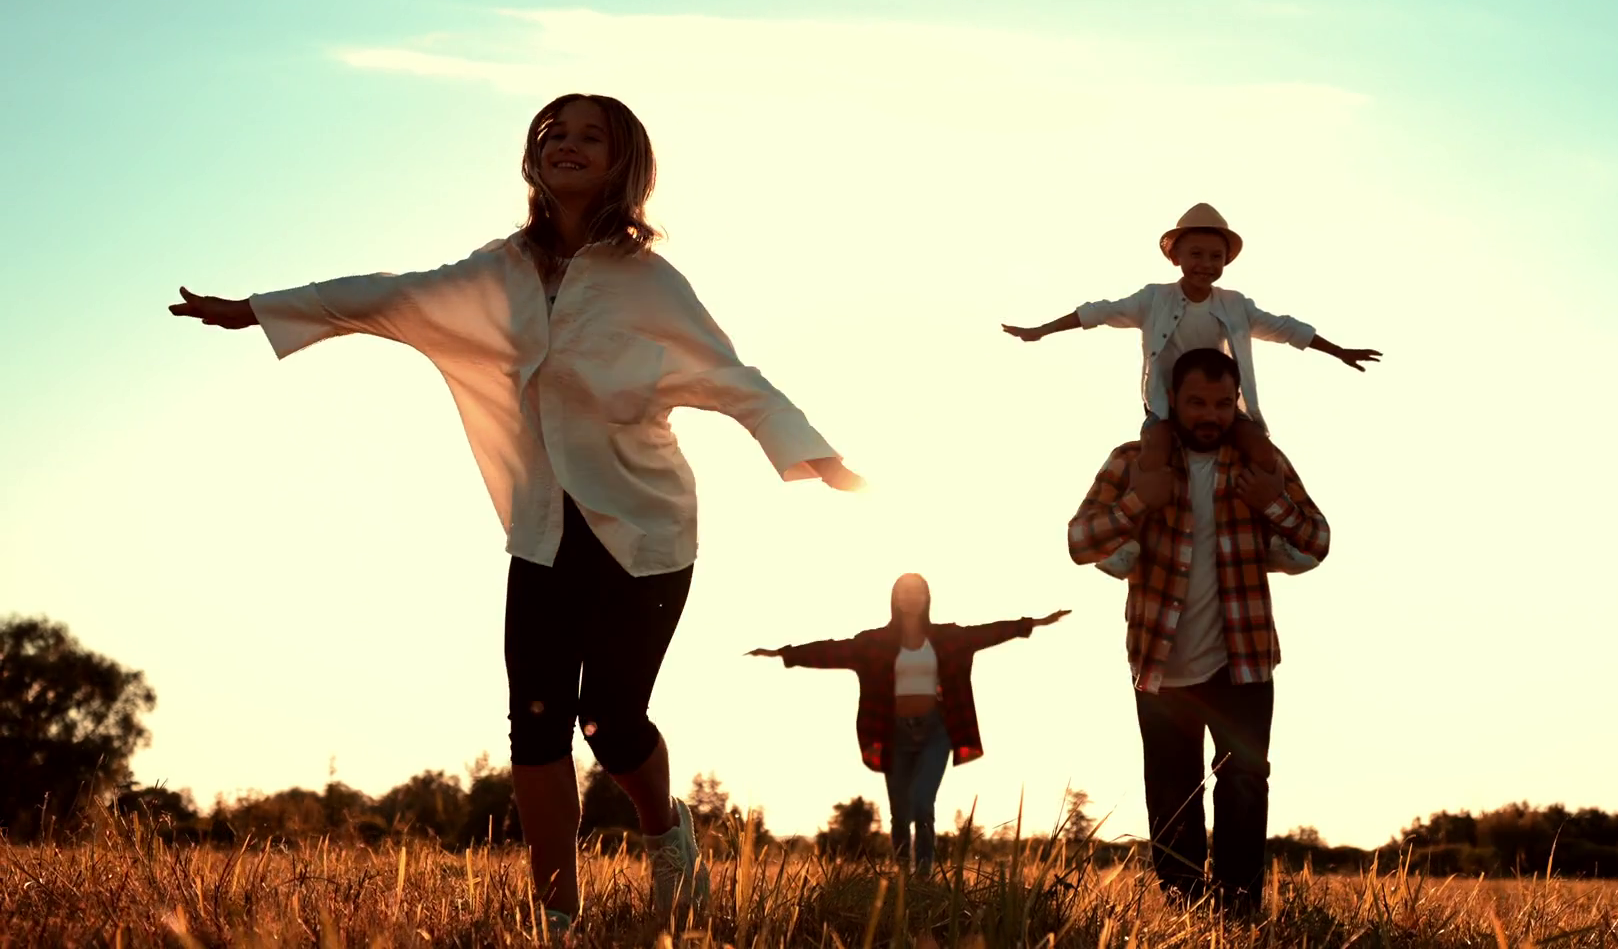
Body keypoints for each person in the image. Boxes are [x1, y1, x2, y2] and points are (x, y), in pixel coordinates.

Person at [170, 93, 863, 933]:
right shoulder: (499, 269)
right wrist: (259, 308)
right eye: (553, 133)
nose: (567, 143)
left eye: (589, 136)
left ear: (622, 163)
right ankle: (556, 917)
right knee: (535, 725)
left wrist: (814, 452)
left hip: (645, 532)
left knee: (612, 724)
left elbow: (731, 377)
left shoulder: (649, 283)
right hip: (542, 532)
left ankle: (665, 833)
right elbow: (390, 297)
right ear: (534, 157)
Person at [1066, 347, 1330, 913]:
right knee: (1172, 794)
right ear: (1173, 400)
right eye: (1197, 403)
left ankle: (1238, 911)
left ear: (1236, 403)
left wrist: (1274, 505)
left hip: (1245, 661)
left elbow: (1318, 539)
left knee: (1245, 784)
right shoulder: (1133, 462)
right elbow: (1079, 541)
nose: (1210, 415)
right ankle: (1185, 913)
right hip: (1160, 665)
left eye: (1221, 403)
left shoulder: (1260, 463)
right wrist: (1139, 502)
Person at [1004, 202, 1374, 576]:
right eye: (1196, 254)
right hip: (1166, 407)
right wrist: (1042, 330)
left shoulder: (1234, 304)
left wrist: (1339, 351)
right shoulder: (1154, 299)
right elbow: (1098, 312)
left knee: (1261, 447)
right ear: (1175, 255)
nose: (1206, 264)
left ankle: (1274, 543)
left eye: (1216, 257)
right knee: (1154, 450)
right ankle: (1128, 544)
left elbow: (1286, 328)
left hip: (1222, 403)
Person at [747, 574, 1069, 874]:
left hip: (936, 731)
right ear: (895, 599)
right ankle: (904, 878)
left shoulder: (948, 637)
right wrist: (784, 654)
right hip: (893, 733)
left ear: (927, 598)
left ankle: (924, 875)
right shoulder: (874, 643)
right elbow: (832, 650)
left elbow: (988, 632)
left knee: (922, 803)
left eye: (918, 592)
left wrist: (1032, 623)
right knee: (900, 812)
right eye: (905, 593)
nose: (912, 597)